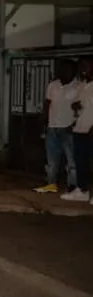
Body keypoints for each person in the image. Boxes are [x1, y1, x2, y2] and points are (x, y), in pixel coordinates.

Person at [35, 59, 80, 194]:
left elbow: (82, 107)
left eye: (67, 69)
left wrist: (76, 123)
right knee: (51, 161)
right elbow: (48, 103)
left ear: (73, 71)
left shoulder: (78, 87)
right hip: (52, 127)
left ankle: (72, 186)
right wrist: (43, 119)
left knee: (72, 162)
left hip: (68, 128)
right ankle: (51, 184)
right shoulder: (53, 85)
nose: (63, 72)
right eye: (62, 69)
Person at [63, 57, 93, 203]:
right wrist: (75, 106)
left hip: (91, 129)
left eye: (86, 66)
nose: (83, 69)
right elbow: (73, 100)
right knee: (80, 162)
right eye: (81, 66)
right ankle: (82, 191)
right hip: (79, 128)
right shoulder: (82, 85)